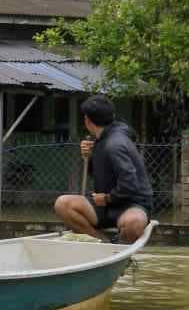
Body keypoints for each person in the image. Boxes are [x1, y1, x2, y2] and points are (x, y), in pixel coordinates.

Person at [54, 95, 153, 243]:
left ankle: (120, 250)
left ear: (87, 120)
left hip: (131, 204)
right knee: (63, 204)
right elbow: (97, 173)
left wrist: (107, 198)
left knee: (134, 223)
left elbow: (130, 184)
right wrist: (89, 156)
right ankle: (102, 243)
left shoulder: (115, 144)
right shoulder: (103, 137)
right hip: (103, 205)